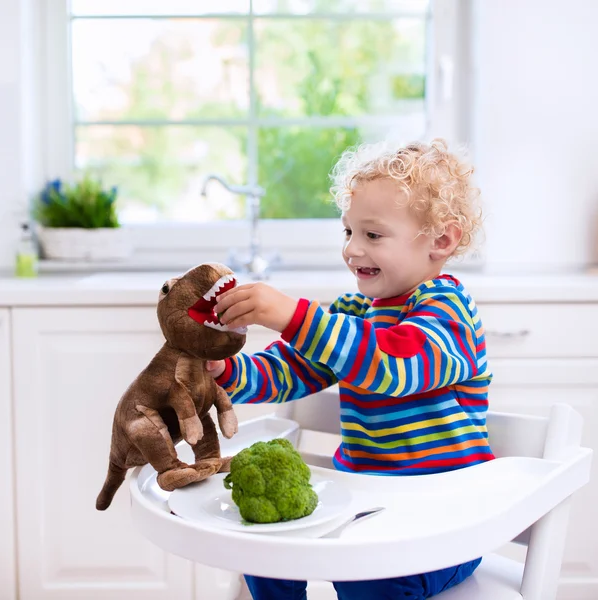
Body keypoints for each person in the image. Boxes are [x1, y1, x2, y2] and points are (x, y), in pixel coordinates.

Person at [207, 139, 494, 600]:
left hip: (443, 524)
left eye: (373, 235)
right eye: (348, 232)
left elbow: (392, 364)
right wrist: (225, 373)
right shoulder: (355, 312)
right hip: (364, 507)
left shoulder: (448, 310)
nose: (352, 249)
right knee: (263, 552)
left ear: (442, 240)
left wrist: (293, 316)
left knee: (372, 582)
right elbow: (293, 369)